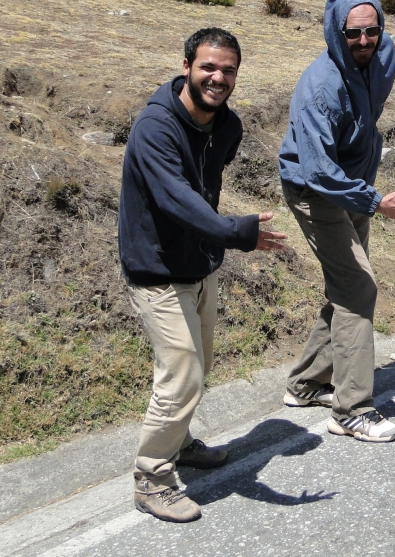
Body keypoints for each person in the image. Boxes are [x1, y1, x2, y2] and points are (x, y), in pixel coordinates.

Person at [119, 27, 287, 522]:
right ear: (187, 65)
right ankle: (152, 478)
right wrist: (236, 231)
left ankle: (182, 442)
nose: (218, 77)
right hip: (157, 270)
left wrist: (215, 240)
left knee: (199, 365)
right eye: (208, 67)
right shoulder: (155, 127)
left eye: (228, 70)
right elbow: (177, 199)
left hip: (199, 265)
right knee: (183, 373)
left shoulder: (225, 127)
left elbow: (205, 186)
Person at [279, 0, 395, 443]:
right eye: (353, 33)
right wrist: (375, 201)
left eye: (372, 30)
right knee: (359, 285)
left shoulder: (382, 58)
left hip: (354, 186)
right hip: (316, 190)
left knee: (347, 287)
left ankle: (306, 383)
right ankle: (352, 410)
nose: (364, 40)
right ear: (335, 32)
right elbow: (318, 171)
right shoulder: (319, 89)